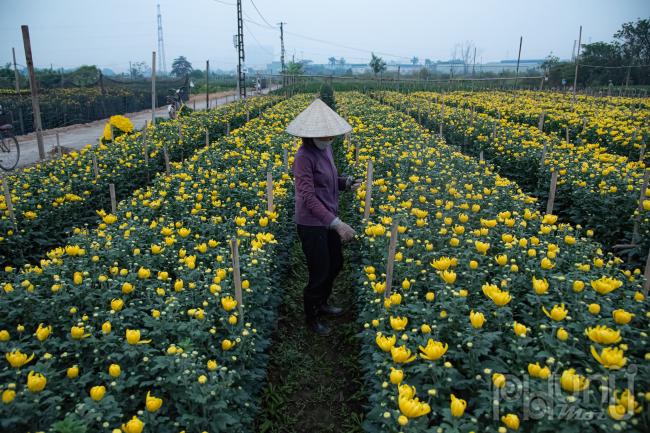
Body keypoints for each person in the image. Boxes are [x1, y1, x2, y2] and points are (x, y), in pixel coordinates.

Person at [285, 98, 361, 336]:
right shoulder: (303, 157)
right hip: (311, 223)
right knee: (319, 271)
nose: (329, 140)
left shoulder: (325, 149)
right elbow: (308, 196)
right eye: (325, 136)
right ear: (311, 135)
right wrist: (337, 224)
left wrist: (345, 183)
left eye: (331, 136)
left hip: (328, 218)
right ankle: (312, 316)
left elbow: (327, 181)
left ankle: (323, 302)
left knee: (335, 264)